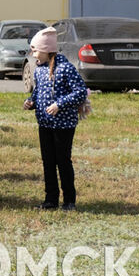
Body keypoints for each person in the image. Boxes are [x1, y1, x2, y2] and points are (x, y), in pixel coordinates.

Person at [24, 27, 87, 212]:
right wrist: (31, 102)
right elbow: (38, 92)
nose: (33, 53)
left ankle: (69, 201)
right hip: (45, 123)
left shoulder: (65, 68)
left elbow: (80, 92)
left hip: (63, 125)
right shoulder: (40, 70)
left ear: (46, 49)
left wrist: (59, 104)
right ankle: (50, 200)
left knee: (63, 161)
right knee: (48, 161)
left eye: (35, 49)